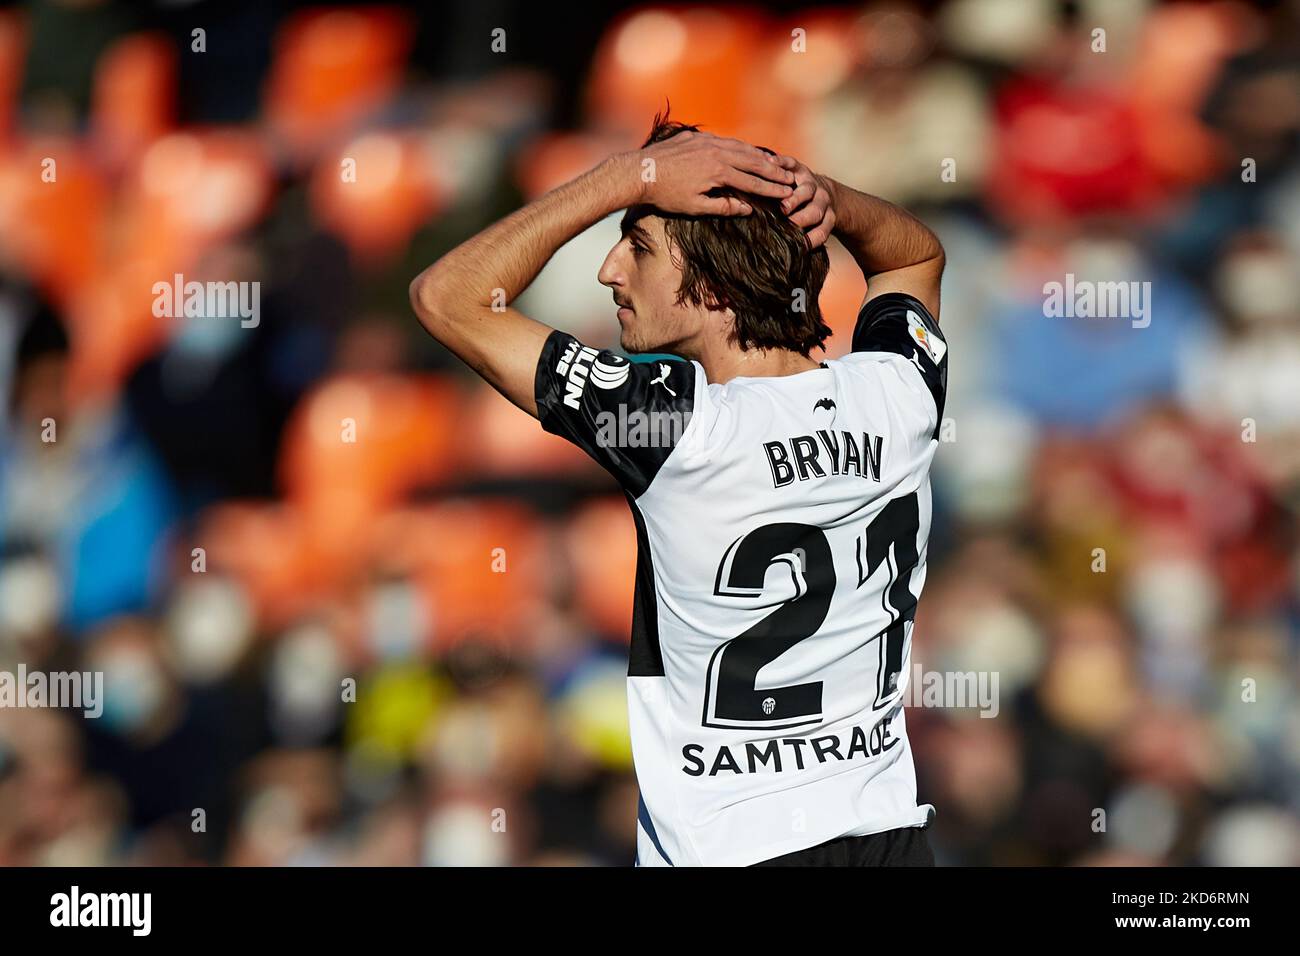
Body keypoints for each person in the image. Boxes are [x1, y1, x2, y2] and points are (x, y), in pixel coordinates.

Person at [410, 110, 947, 867]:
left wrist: (626, 177)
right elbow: (912, 258)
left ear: (715, 288)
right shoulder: (899, 394)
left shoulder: (674, 427)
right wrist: (819, 195)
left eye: (637, 247)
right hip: (889, 836)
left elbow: (448, 296)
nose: (608, 272)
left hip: (732, 851)